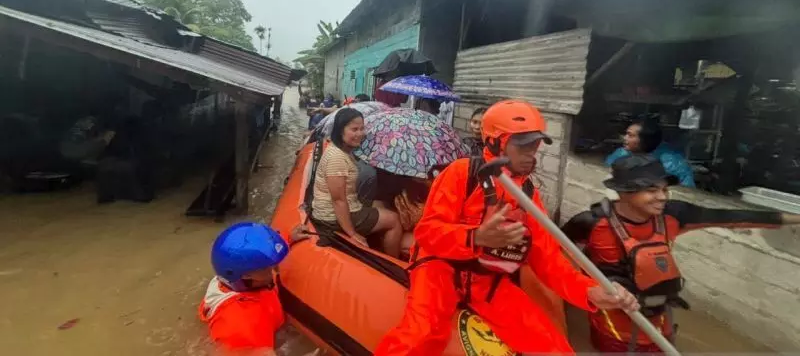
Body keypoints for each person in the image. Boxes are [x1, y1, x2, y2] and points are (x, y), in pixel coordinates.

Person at [374, 99, 640, 355]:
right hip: (438, 269)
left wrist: (590, 291)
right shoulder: (461, 173)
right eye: (522, 144)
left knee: (551, 346)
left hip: (486, 278)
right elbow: (428, 233)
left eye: (535, 143)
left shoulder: (526, 193)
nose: (532, 151)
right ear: (495, 141)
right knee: (420, 335)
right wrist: (476, 236)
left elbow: (547, 259)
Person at [562, 154, 800, 353]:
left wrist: (794, 218)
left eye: (665, 189)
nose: (662, 197)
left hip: (660, 324)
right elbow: (555, 259)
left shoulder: (674, 215)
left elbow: (735, 217)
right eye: (651, 190)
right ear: (624, 192)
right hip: (612, 329)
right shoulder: (590, 223)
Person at [198, 222, 320, 355]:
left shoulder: (234, 277)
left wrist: (287, 239)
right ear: (246, 275)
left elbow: (258, 255)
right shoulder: (243, 323)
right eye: (266, 266)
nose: (274, 266)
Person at [310, 108, 404, 257]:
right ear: (341, 130)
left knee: (382, 203)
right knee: (394, 220)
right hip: (331, 217)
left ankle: (380, 241)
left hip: (348, 204)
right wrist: (352, 234)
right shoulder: (337, 158)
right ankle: (394, 263)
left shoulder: (343, 150)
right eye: (354, 129)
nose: (360, 133)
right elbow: (338, 200)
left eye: (361, 128)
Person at [606, 119, 696, 188]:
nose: (625, 138)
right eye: (626, 134)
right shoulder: (620, 154)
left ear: (645, 140)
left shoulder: (673, 163)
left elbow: (687, 191)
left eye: (630, 135)